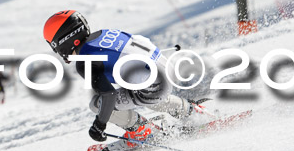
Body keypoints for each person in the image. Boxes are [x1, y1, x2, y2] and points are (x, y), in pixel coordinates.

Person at [43, 10, 202, 143]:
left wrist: (99, 125)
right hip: (167, 69)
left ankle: (144, 133)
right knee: (139, 89)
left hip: (155, 87)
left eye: (54, 45)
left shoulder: (85, 59)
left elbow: (109, 95)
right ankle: (188, 109)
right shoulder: (103, 34)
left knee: (97, 105)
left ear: (63, 41)